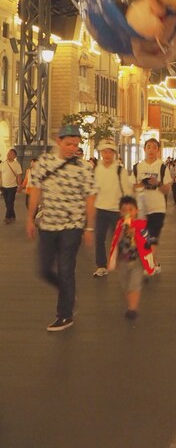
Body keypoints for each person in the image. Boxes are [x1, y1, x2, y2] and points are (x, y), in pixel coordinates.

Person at [26, 124, 97, 332]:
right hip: (48, 224)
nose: (72, 148)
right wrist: (30, 219)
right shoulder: (44, 163)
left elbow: (90, 198)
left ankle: (65, 315)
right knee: (44, 269)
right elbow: (36, 191)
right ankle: (68, 294)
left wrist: (89, 228)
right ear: (58, 141)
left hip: (72, 226)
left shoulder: (84, 168)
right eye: (68, 144)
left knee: (66, 269)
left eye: (76, 145)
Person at [107, 195, 155, 319]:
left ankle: (132, 308)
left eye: (130, 209)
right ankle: (130, 304)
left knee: (134, 285)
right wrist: (113, 260)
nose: (127, 212)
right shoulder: (119, 225)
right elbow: (115, 242)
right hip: (123, 261)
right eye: (124, 210)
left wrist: (136, 233)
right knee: (125, 285)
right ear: (120, 212)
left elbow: (147, 242)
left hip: (137, 261)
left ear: (136, 211)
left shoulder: (142, 224)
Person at [93, 138, 133, 278]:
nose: (107, 154)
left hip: (117, 210)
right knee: (99, 238)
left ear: (114, 153)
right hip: (100, 208)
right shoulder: (97, 169)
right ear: (101, 153)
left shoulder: (120, 170)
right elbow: (93, 190)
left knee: (120, 239)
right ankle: (101, 265)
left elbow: (127, 191)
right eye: (104, 151)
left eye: (110, 152)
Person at [131, 138, 172, 274]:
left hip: (157, 207)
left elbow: (167, 190)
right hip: (141, 208)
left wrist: (158, 184)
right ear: (144, 149)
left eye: (154, 147)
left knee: (153, 237)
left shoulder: (162, 167)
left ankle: (150, 265)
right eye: (148, 147)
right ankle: (154, 262)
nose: (151, 150)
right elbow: (132, 187)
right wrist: (141, 184)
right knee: (144, 238)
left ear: (158, 150)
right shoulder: (138, 167)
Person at [1, 148, 23, 224]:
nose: (8, 155)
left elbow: (19, 176)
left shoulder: (17, 165)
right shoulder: (2, 164)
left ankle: (7, 217)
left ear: (14, 156)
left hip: (12, 187)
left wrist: (19, 186)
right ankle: (13, 215)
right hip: (4, 187)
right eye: (8, 153)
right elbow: (0, 175)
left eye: (10, 154)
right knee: (7, 203)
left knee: (10, 202)